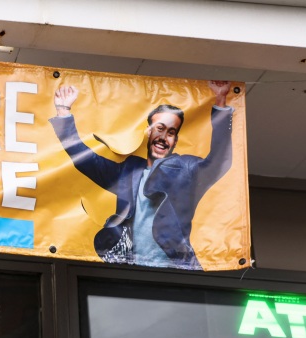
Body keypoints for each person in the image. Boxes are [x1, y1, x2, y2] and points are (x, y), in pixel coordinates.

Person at [50, 80, 234, 268]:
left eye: (171, 132)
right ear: (148, 132)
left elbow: (219, 162)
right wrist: (63, 112)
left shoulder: (185, 168)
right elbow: (87, 161)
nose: (163, 137)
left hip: (175, 271)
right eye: (160, 129)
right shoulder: (129, 170)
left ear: (176, 141)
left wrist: (220, 102)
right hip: (132, 272)